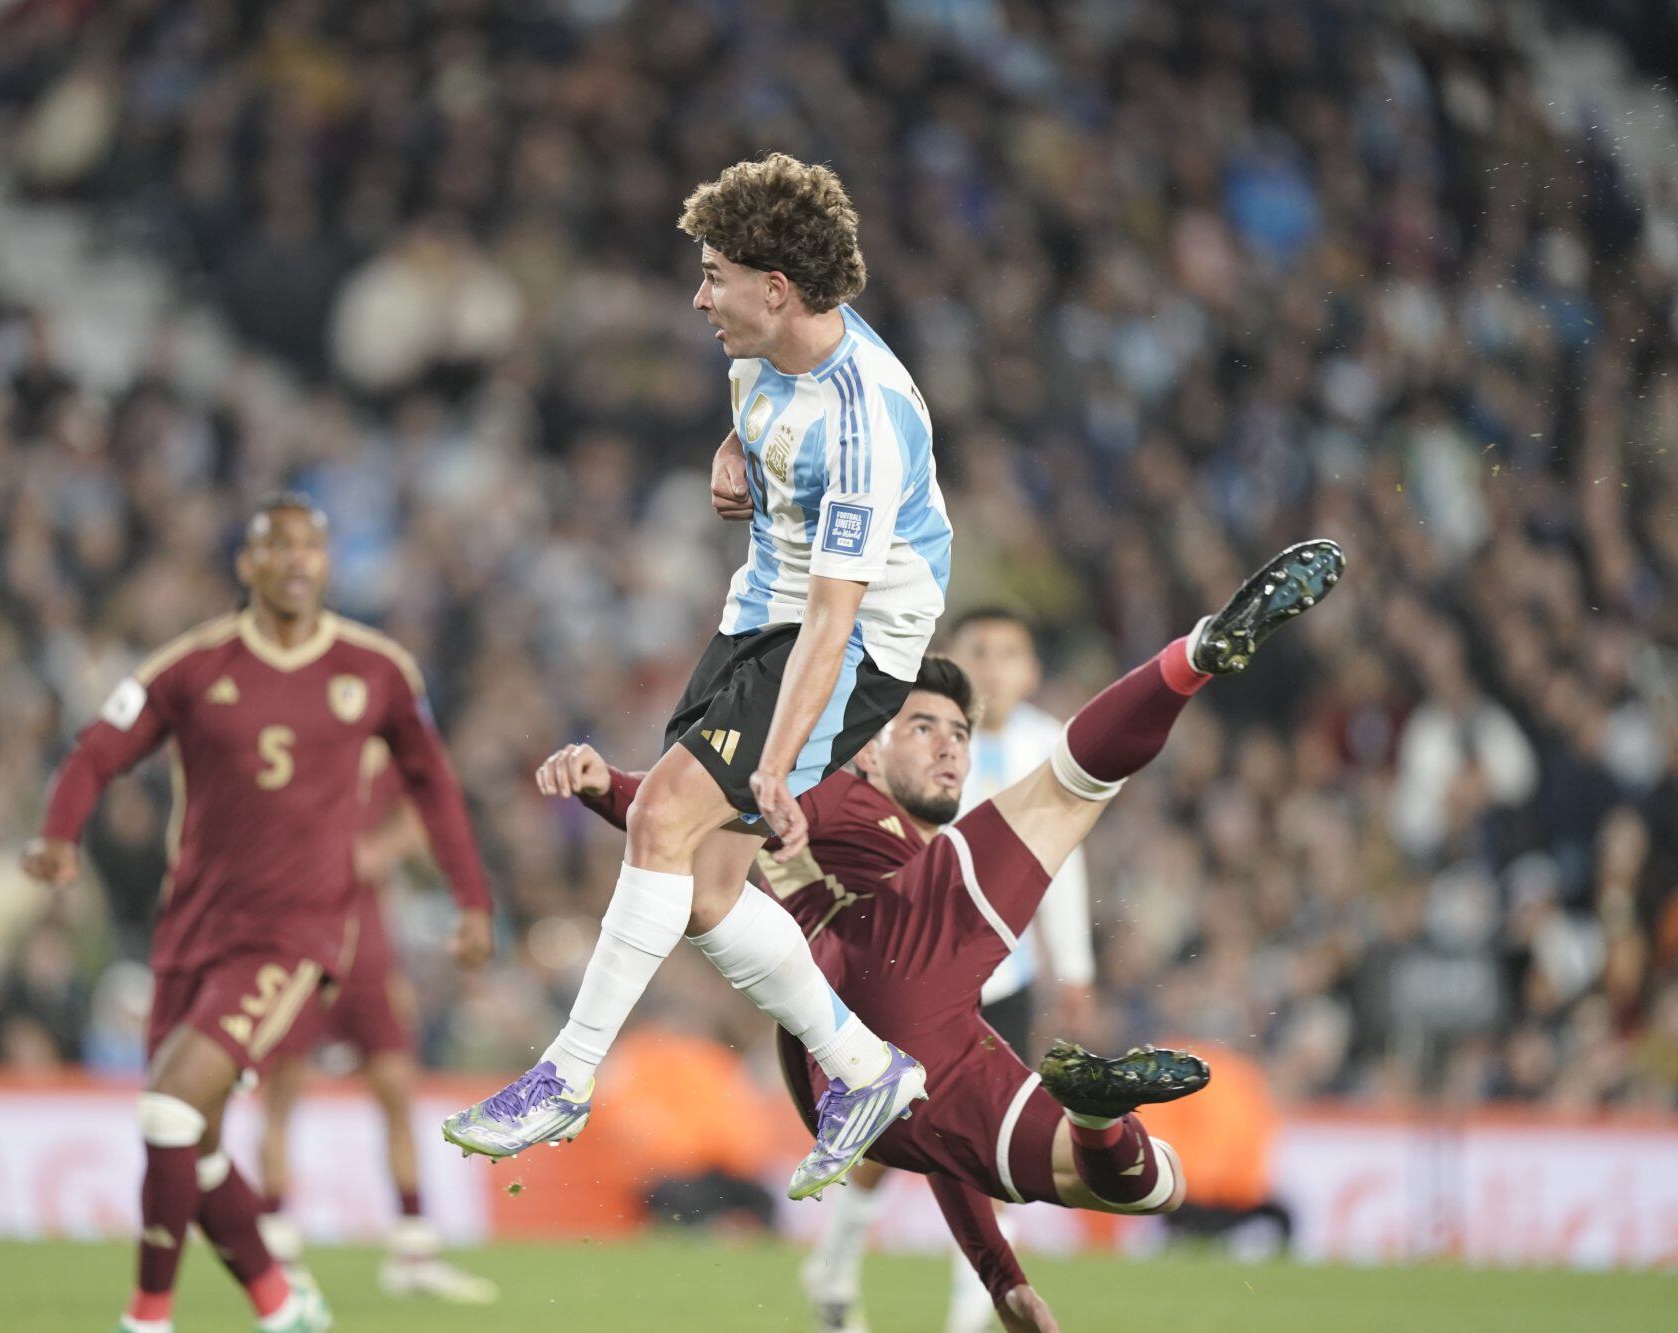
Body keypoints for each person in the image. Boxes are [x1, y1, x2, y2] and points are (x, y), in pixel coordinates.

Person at [539, 541, 1345, 1332]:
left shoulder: (903, 842)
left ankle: (1097, 1115)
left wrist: (1004, 1279)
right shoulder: (834, 791)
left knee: (1151, 1183)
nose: (951, 746)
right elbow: (691, 809)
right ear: (867, 747)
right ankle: (1197, 654)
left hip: (867, 1073)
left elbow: (940, 1145)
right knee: (1068, 787)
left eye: (960, 732)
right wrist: (611, 784)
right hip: (871, 956)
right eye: (922, 726)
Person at [444, 153, 954, 1201]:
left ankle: (564, 1074)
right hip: (755, 614)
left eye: (715, 273)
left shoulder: (867, 421)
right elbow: (771, 431)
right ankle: (863, 1069)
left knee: (660, 823)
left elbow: (835, 615)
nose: (698, 294)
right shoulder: (756, 355)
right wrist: (734, 449)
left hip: (849, 639)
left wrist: (776, 764)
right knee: (710, 889)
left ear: (776, 287)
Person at [22, 495, 494, 1333]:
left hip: (296, 934)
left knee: (168, 1107)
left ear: (327, 562)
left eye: (313, 545)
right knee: (189, 1142)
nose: (298, 560)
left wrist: (471, 897)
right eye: (279, 546)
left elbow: (433, 784)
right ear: (247, 564)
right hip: (191, 930)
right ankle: (283, 1304)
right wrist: (60, 836)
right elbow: (98, 747)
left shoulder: (376, 668)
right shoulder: (194, 667)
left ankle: (147, 1318)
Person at [806, 607, 1098, 1332]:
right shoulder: (909, 738)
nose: (995, 667)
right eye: (980, 652)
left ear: (1031, 671)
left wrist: (1077, 970)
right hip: (910, 974)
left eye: (1011, 652)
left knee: (975, 1141)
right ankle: (837, 1262)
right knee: (890, 1140)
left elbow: (1065, 858)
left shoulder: (1044, 743)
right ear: (952, 662)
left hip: (1005, 978)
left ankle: (975, 1309)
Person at [255, 743, 499, 1306]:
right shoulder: (293, 741)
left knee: (395, 1089)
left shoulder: (384, 751)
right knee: (283, 1092)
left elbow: (424, 809)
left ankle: (414, 1251)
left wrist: (382, 849)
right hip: (298, 944)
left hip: (367, 948)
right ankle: (276, 1247)